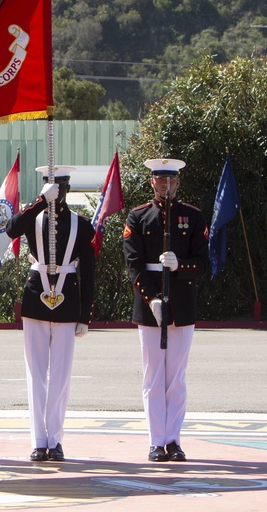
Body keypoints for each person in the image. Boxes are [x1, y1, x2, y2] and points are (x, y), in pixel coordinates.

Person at [6, 166, 95, 462]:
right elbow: (11, 229)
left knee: (60, 375)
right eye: (51, 187)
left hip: (67, 299)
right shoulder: (35, 216)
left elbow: (90, 273)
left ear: (68, 188)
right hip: (36, 297)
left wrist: (85, 315)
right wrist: (40, 201)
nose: (57, 192)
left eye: (60, 187)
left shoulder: (81, 225)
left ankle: (55, 440)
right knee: (35, 374)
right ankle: (38, 440)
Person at [123, 158, 208, 463]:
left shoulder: (192, 217)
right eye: (161, 181)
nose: (167, 186)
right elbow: (133, 265)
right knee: (153, 377)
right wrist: (151, 300)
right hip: (150, 306)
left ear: (178, 183)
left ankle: (173, 440)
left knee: (177, 378)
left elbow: (203, 263)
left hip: (182, 304)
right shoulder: (139, 216)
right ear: (152, 183)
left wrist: (180, 265)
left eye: (171, 181)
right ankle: (156, 440)